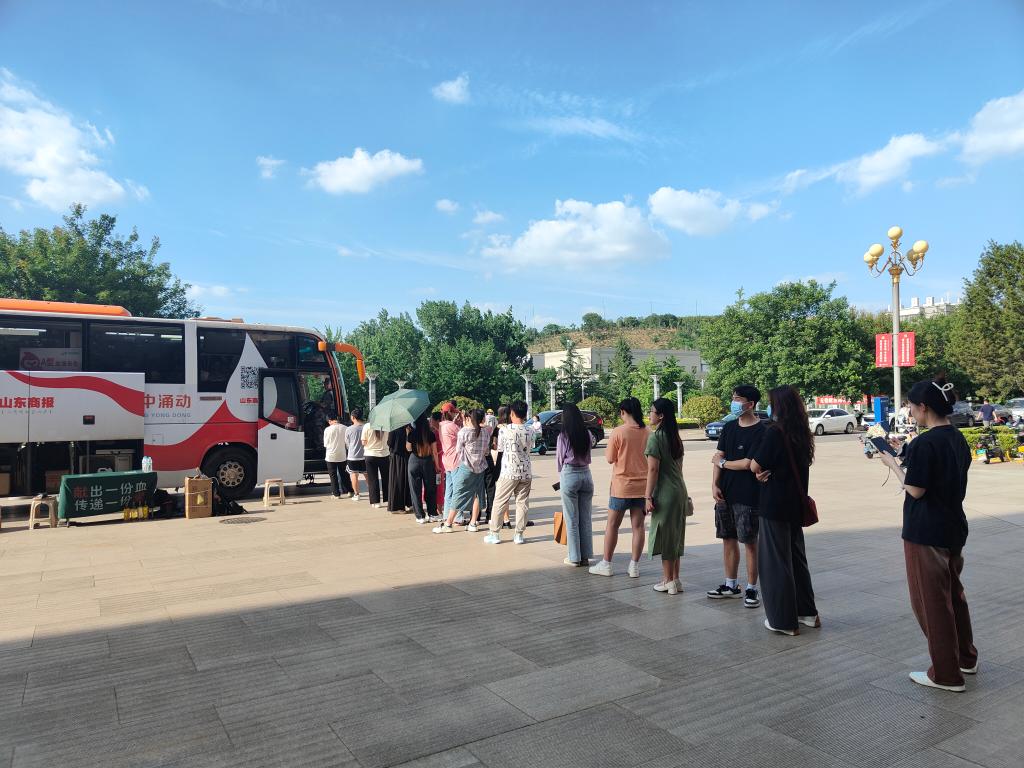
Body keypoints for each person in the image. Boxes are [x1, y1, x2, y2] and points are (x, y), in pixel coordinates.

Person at [878, 377, 977, 692]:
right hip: (952, 526)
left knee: (931, 602)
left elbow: (916, 490)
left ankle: (946, 674)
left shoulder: (925, 443)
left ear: (923, 407)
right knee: (954, 596)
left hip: (926, 531)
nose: (909, 412)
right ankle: (966, 657)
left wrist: (892, 463)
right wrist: (905, 456)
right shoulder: (956, 437)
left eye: (910, 406)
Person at [750, 386, 819, 636]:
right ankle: (807, 613)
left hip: (774, 505)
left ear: (778, 406)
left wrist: (760, 471)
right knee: (797, 560)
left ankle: (782, 621)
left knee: (775, 563)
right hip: (795, 505)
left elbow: (755, 465)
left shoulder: (775, 432)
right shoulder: (801, 432)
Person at [707, 385, 766, 608]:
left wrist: (723, 463)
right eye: (733, 398)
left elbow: (748, 464)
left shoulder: (762, 431)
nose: (734, 402)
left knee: (750, 542)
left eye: (738, 399)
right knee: (728, 539)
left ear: (751, 404)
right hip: (725, 493)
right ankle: (730, 585)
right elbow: (718, 455)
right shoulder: (729, 427)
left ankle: (751, 588)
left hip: (748, 496)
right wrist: (714, 484)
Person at [590, 398, 648, 578]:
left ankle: (606, 564)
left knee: (612, 525)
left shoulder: (618, 432)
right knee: (638, 527)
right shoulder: (648, 432)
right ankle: (634, 566)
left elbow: (610, 458)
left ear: (623, 412)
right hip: (643, 487)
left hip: (621, 487)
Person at [645, 397, 687, 595]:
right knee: (676, 535)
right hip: (679, 490)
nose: (649, 414)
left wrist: (647, 497)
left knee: (665, 536)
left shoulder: (655, 438)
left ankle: (667, 580)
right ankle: (676, 579)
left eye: (651, 411)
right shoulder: (675, 437)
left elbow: (653, 470)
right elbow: (679, 468)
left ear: (661, 415)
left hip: (665, 492)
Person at [433, 409, 492, 533]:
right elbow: (487, 452)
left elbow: (459, 450)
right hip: (480, 467)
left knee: (458, 494)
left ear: (469, 419)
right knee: (477, 495)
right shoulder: (486, 432)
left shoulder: (464, 432)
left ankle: (448, 524)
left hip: (466, 467)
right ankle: (473, 523)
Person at [484, 400, 534, 544]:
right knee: (522, 503)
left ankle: (494, 533)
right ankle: (519, 534)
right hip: (525, 471)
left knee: (500, 501)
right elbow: (530, 447)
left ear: (512, 413)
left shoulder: (504, 430)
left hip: (509, 471)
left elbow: (500, 449)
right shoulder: (530, 430)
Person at [557, 403, 595, 567]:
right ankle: (585, 556)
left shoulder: (563, 436)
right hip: (586, 475)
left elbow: (560, 459)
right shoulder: (588, 433)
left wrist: (561, 476)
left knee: (571, 519)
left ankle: (574, 557)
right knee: (585, 519)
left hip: (570, 474)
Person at [406, 413, 440, 524]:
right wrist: (437, 465)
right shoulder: (430, 434)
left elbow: (408, 449)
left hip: (414, 461)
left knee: (415, 490)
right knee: (430, 488)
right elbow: (435, 452)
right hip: (427, 462)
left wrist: (408, 434)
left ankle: (420, 516)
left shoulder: (412, 433)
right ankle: (432, 514)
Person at [438, 402, 461, 521]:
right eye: (454, 413)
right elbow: (462, 436)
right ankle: (458, 517)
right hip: (456, 460)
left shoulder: (441, 425)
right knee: (458, 490)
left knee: (449, 490)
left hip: (446, 460)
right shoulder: (452, 426)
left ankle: (447, 514)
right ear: (450, 412)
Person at [323, 412, 353, 498]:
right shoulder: (345, 428)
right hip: (342, 455)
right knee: (344, 474)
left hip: (330, 456)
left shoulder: (327, 430)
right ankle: (350, 491)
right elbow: (347, 443)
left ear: (329, 421)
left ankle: (336, 494)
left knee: (333, 475)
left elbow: (325, 444)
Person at [362, 422, 390, 509]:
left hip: (370, 454)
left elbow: (363, 442)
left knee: (372, 479)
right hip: (384, 454)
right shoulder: (386, 425)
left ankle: (375, 502)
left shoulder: (367, 426)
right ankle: (388, 499)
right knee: (386, 478)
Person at [387, 426, 412, 513]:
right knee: (406, 480)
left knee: (397, 481)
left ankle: (397, 506)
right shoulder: (409, 428)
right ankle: (409, 503)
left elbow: (389, 443)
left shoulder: (394, 429)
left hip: (396, 457)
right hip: (407, 456)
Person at [345, 408, 367, 501]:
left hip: (352, 456)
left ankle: (357, 494)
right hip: (365, 455)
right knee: (367, 475)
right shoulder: (366, 427)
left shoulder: (349, 429)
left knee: (354, 475)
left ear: (353, 417)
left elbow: (347, 443)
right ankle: (373, 493)